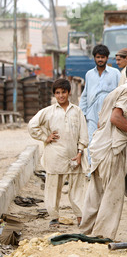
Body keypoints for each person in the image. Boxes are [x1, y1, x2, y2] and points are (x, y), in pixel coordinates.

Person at [79, 57, 127, 241]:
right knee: (112, 195)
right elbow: (116, 118)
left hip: (99, 148)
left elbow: (101, 121)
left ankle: (84, 233)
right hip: (112, 149)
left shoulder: (116, 91)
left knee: (95, 195)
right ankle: (102, 236)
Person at [28, 78, 89, 228]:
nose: (61, 96)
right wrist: (45, 137)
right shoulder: (48, 112)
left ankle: (80, 216)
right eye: (57, 93)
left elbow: (83, 134)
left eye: (63, 92)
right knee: (53, 187)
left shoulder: (77, 111)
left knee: (77, 187)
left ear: (69, 93)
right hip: (54, 155)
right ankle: (54, 217)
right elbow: (32, 126)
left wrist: (80, 152)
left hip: (74, 155)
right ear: (54, 94)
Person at [79, 44, 121, 144]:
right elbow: (85, 95)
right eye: (98, 57)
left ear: (107, 58)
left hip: (109, 111)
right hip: (92, 113)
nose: (100, 59)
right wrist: (82, 113)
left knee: (107, 141)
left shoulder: (115, 73)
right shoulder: (89, 74)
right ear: (94, 58)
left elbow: (120, 93)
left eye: (103, 57)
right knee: (92, 141)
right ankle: (91, 160)